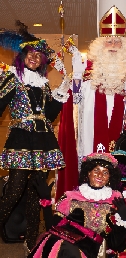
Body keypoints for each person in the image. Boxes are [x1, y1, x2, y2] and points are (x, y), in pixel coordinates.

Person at [0, 21, 70, 251]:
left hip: (43, 141)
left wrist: (60, 95)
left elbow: (49, 116)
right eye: (30, 53)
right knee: (14, 189)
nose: (35, 58)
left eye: (39, 56)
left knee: (36, 192)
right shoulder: (12, 78)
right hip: (21, 137)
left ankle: (32, 240)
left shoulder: (44, 85)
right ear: (22, 56)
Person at [75, 5, 126, 157]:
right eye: (108, 42)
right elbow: (74, 102)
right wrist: (75, 79)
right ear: (100, 46)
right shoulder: (86, 73)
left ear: (124, 47)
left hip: (120, 136)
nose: (113, 46)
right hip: (90, 134)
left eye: (117, 42)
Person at [28, 152, 122, 258]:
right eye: (96, 170)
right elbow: (53, 228)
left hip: (97, 250)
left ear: (109, 177)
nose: (100, 175)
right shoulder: (70, 197)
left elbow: (117, 241)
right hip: (70, 246)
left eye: (105, 172)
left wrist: (124, 218)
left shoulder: (116, 199)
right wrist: (47, 201)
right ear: (88, 173)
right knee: (61, 246)